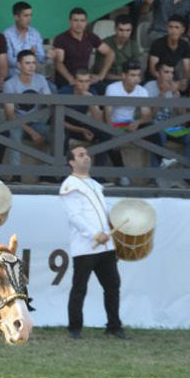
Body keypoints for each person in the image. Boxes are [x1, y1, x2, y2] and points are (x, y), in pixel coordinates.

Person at [60, 145, 124, 339]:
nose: (86, 158)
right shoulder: (69, 185)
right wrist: (95, 234)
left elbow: (103, 212)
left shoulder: (95, 184)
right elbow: (75, 216)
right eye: (81, 155)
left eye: (86, 154)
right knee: (80, 288)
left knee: (112, 286)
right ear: (71, 162)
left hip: (106, 246)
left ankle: (114, 326)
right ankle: (75, 328)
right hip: (86, 247)